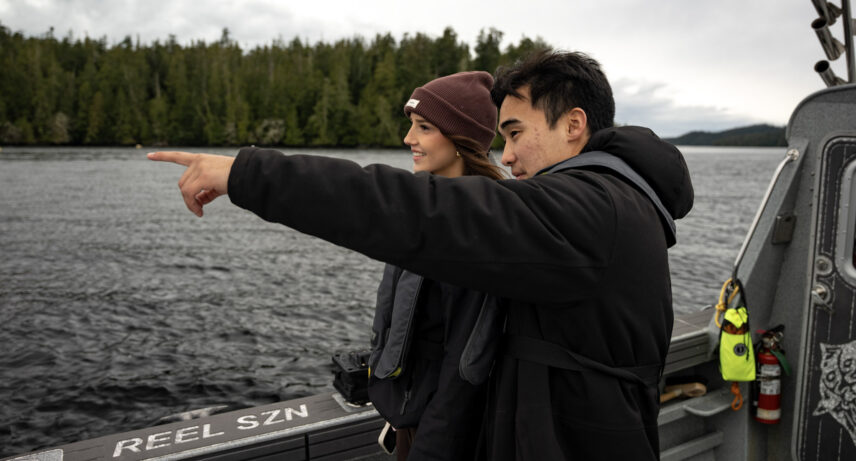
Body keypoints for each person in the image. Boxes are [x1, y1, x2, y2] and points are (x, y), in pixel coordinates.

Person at [148, 49, 694, 460]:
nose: (506, 155)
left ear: (574, 126)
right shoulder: (604, 206)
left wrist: (247, 174)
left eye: (515, 133)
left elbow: (416, 213)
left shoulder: (590, 213)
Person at [367, 71, 505, 460]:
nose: (408, 139)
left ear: (462, 141)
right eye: (412, 125)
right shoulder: (428, 214)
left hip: (442, 436)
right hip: (411, 414)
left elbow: (466, 367)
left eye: (424, 127)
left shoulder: (474, 234)